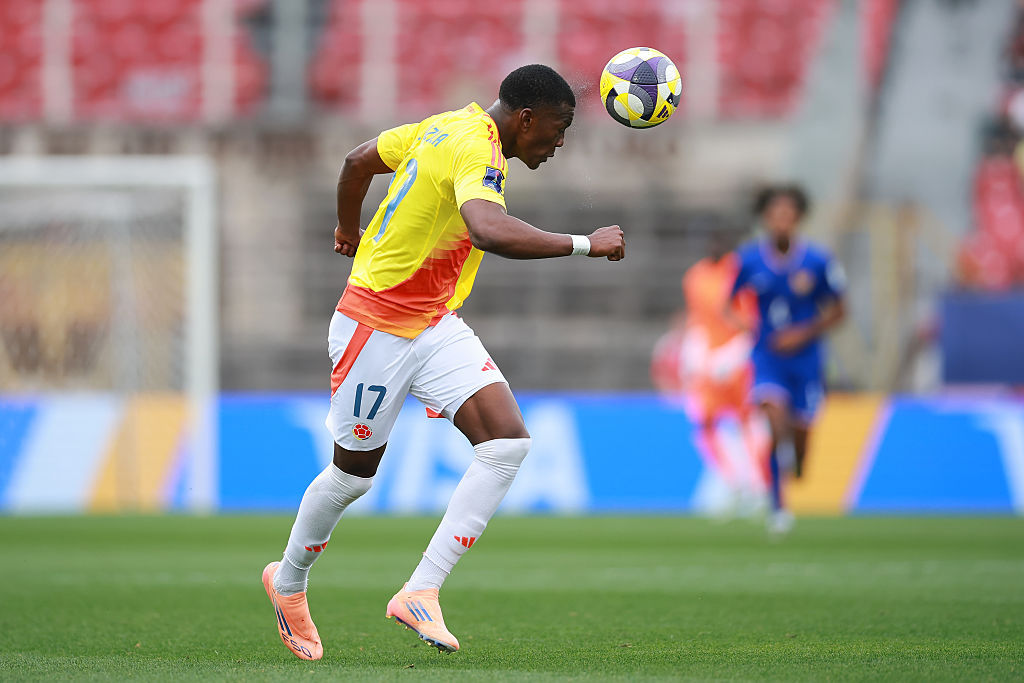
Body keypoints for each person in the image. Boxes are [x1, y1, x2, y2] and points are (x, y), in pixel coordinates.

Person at [261, 65, 625, 660]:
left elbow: (357, 162)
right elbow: (488, 230)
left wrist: (348, 229)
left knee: (506, 442)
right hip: (375, 325)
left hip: (432, 321)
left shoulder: (442, 125)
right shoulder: (476, 148)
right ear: (526, 118)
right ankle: (290, 580)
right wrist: (586, 243)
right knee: (353, 476)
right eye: (558, 128)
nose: (560, 142)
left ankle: (421, 590)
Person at [728, 185, 846, 534]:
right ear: (765, 218)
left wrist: (803, 333)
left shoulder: (819, 261)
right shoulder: (748, 259)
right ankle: (779, 507)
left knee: (799, 443)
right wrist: (746, 325)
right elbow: (728, 302)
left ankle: (795, 462)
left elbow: (839, 311)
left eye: (788, 214)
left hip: (807, 360)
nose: (781, 221)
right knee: (775, 419)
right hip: (768, 356)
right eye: (775, 214)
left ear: (798, 218)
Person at [679, 234, 765, 511]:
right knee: (704, 422)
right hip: (709, 363)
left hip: (738, 361)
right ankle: (732, 481)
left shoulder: (740, 273)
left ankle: (758, 486)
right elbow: (698, 319)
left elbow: (752, 321)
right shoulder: (694, 277)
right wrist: (694, 348)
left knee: (748, 420)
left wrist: (735, 353)